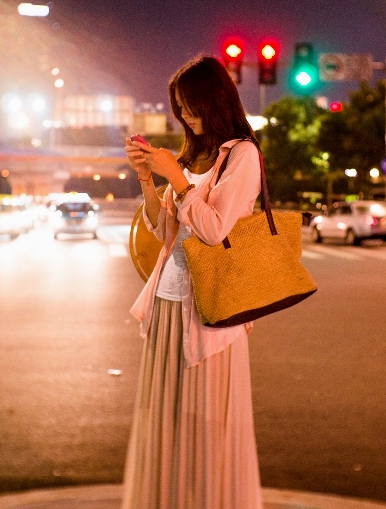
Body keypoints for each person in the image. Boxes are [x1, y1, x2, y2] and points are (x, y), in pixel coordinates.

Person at [122, 54, 263, 509]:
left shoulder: (242, 155)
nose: (184, 116)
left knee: (206, 425)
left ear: (215, 99)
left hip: (209, 312)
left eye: (190, 105)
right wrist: (148, 181)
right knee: (164, 421)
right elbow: (166, 235)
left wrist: (178, 182)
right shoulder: (191, 156)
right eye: (178, 108)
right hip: (166, 304)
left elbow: (215, 229)